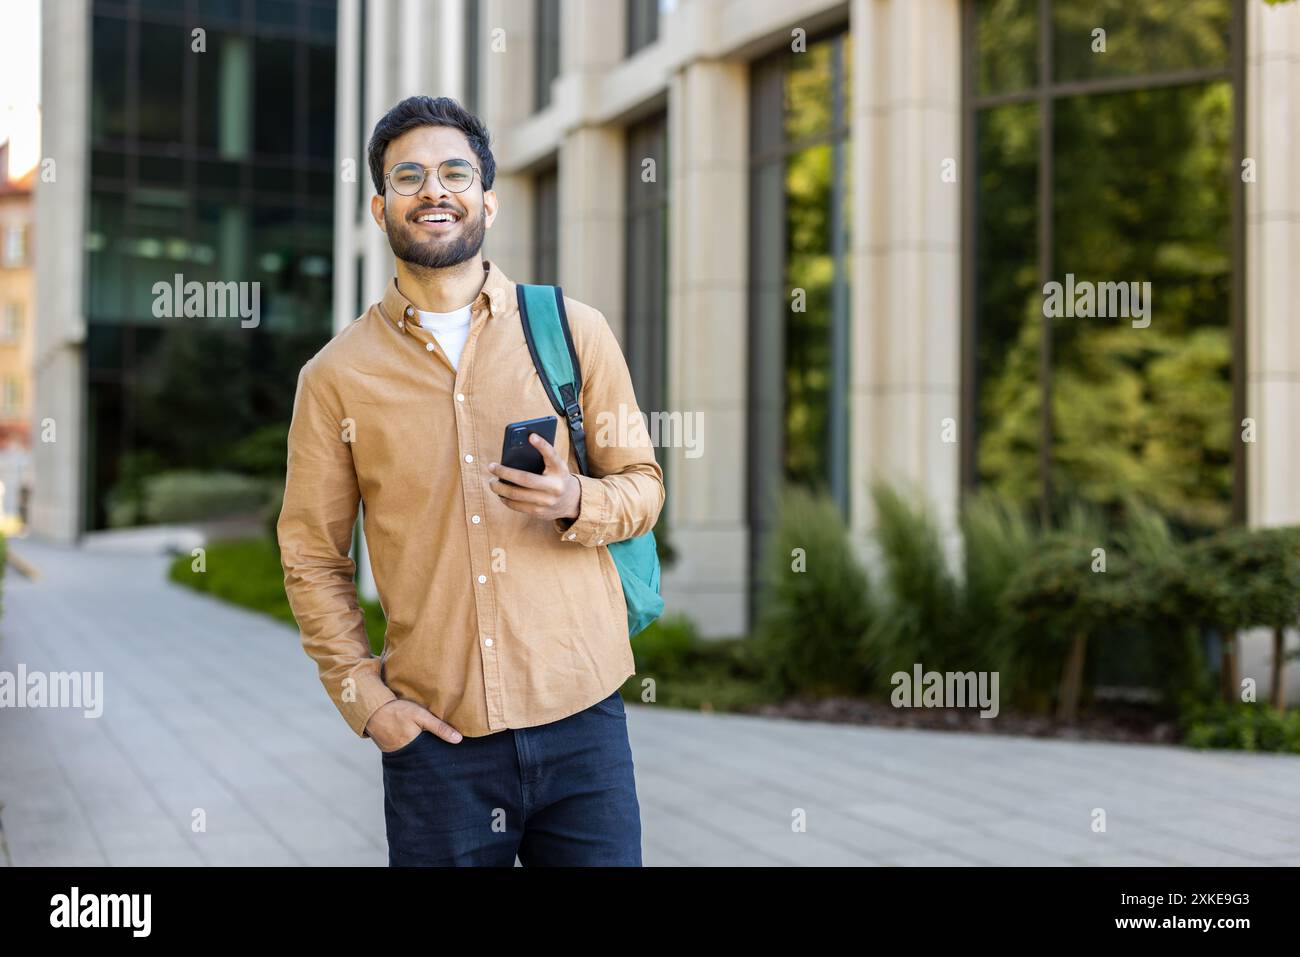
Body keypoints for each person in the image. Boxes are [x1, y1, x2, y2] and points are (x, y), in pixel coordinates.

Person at [276, 95, 664, 866]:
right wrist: (367, 700)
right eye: (409, 176)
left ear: (487, 197)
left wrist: (576, 499)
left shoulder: (572, 331)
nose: (435, 190)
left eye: (456, 171)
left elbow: (644, 486)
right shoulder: (335, 378)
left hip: (583, 724)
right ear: (382, 206)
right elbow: (312, 555)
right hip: (437, 746)